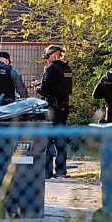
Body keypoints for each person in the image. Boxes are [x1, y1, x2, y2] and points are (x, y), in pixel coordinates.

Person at [35, 44, 73, 178]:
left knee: (48, 140)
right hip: (64, 107)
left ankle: (47, 172)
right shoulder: (66, 69)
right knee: (61, 140)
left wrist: (37, 87)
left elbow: (44, 90)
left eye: (48, 57)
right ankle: (62, 171)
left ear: (53, 55)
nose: (47, 60)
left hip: (52, 109)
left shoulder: (51, 69)